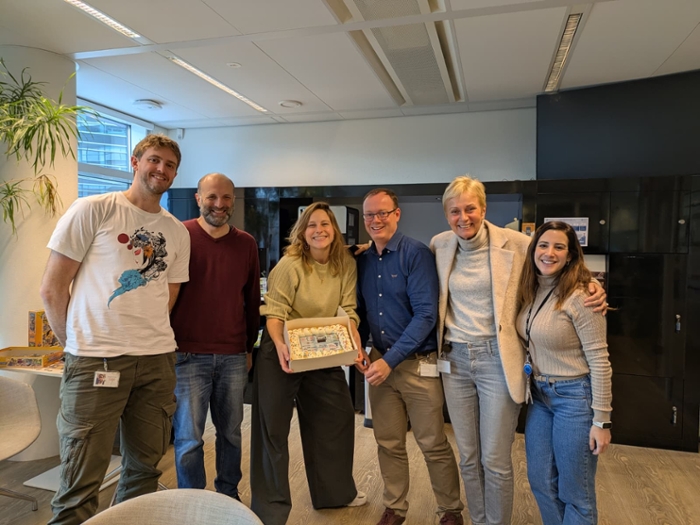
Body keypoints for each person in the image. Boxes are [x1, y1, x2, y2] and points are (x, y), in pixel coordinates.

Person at [430, 175, 606, 525]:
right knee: (468, 457)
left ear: (483, 209)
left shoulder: (518, 243)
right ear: (447, 214)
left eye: (470, 208)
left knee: (494, 459)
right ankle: (479, 520)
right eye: (454, 211)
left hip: (498, 360)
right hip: (454, 360)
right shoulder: (440, 245)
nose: (463, 217)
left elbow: (554, 264)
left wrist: (591, 284)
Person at [40, 134, 190, 525]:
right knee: (80, 479)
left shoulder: (177, 231)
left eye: (170, 165)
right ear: (135, 161)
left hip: (157, 362)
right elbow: (53, 288)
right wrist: (76, 345)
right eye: (154, 160)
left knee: (144, 471)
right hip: (96, 361)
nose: (161, 169)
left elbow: (168, 294)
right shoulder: (94, 209)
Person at [250, 202, 367, 525]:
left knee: (337, 417)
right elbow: (275, 314)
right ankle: (270, 510)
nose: (319, 230)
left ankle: (334, 494)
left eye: (325, 224)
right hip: (282, 348)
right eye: (312, 225)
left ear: (334, 230)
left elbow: (348, 309)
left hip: (322, 347)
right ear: (302, 232)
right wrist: (281, 346)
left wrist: (354, 344)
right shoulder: (289, 266)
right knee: (272, 429)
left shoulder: (345, 264)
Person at [357, 188, 464, 525]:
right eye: (370, 214)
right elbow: (362, 312)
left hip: (417, 365)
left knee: (432, 443)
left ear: (397, 214)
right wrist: (357, 346)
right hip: (378, 361)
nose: (376, 220)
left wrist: (389, 362)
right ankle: (395, 507)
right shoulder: (363, 260)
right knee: (388, 442)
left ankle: (450, 510)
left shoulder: (415, 254)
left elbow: (426, 316)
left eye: (383, 213)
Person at [170, 173, 260, 500]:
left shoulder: (246, 243)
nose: (219, 204)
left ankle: (227, 497)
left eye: (226, 198)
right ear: (198, 199)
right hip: (186, 354)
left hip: (233, 355)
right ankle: (191, 503)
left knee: (231, 434)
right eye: (211, 197)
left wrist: (248, 348)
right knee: (188, 438)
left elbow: (251, 300)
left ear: (233, 200)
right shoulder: (179, 235)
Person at [516, 221, 612, 525]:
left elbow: (600, 361)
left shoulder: (582, 297)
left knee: (575, 491)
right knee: (541, 481)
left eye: (559, 247)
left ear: (570, 255)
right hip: (539, 396)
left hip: (574, 398)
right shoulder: (531, 288)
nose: (549, 253)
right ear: (533, 249)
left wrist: (602, 421)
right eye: (543, 245)